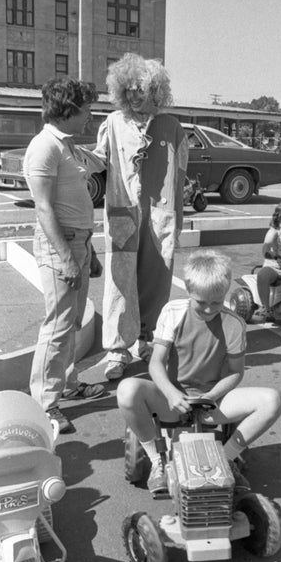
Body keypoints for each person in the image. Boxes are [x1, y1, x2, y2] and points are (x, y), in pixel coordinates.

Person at [116, 249, 281, 495]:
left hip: (211, 401)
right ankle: (157, 461)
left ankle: (226, 459)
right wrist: (172, 394)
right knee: (127, 389)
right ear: (189, 291)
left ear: (225, 292)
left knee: (272, 400)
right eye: (201, 302)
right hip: (173, 401)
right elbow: (156, 363)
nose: (208, 310)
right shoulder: (174, 312)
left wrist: (211, 397)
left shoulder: (233, 324)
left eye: (216, 302)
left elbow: (235, 373)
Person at [94, 54, 189, 381]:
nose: (134, 96)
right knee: (119, 284)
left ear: (156, 90)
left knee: (156, 281)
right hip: (122, 214)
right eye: (129, 89)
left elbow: (178, 177)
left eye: (142, 89)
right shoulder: (113, 123)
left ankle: (147, 339)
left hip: (160, 216)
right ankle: (117, 351)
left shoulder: (172, 126)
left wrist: (177, 219)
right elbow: (96, 162)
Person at [23, 77, 106, 433]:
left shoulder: (67, 145)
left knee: (71, 323)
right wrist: (68, 258)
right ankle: (45, 403)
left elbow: (100, 167)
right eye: (86, 110)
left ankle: (67, 384)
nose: (90, 117)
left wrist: (87, 250)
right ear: (68, 110)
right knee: (56, 327)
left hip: (79, 243)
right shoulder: (44, 147)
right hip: (62, 247)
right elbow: (44, 209)